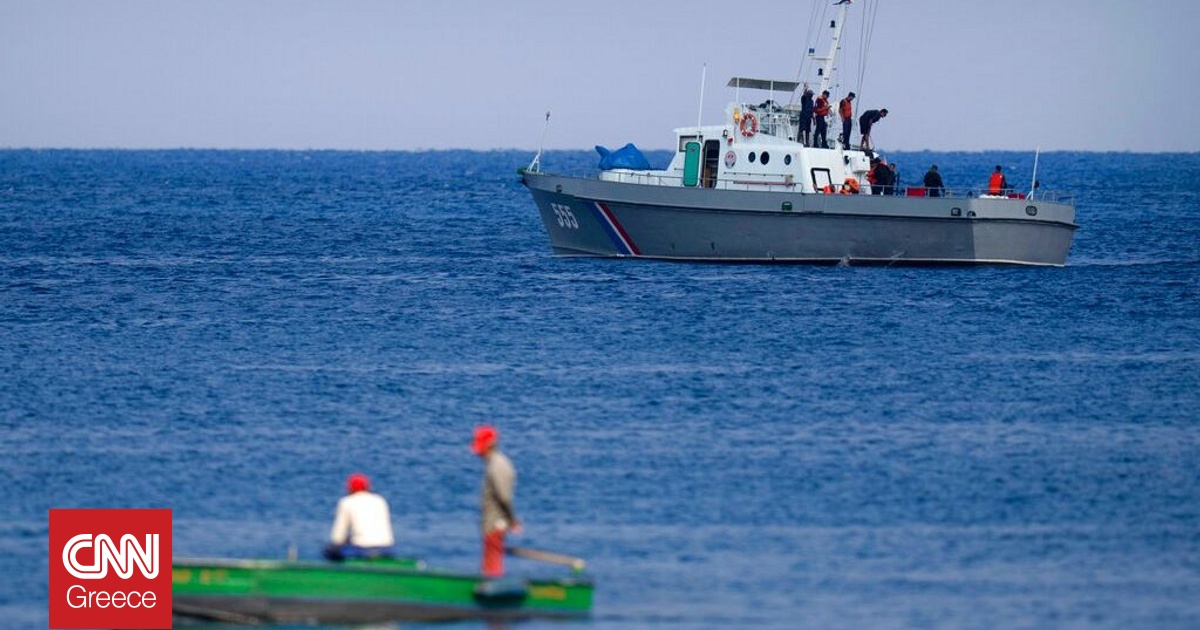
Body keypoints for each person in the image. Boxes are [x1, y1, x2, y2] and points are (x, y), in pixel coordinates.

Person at [472, 425, 520, 577]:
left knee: (492, 565)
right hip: (492, 523)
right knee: (490, 562)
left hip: (495, 523)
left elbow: (504, 497)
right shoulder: (495, 464)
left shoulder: (497, 466)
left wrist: (512, 521)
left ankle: (492, 586)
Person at [324, 473, 396, 561]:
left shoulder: (347, 502)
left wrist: (337, 544)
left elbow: (338, 535)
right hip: (386, 548)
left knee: (330, 550)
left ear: (350, 488)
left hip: (363, 549)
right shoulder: (380, 500)